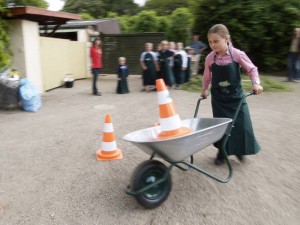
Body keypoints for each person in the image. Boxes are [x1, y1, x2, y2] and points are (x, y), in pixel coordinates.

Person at [201, 24, 263, 165]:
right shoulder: (210, 58)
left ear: (226, 38)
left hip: (236, 98)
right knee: (222, 126)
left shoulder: (237, 54)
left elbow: (252, 69)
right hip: (219, 99)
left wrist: (255, 83)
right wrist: (204, 90)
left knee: (241, 124)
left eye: (216, 41)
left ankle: (240, 150)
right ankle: (222, 152)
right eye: (210, 42)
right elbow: (206, 76)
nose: (212, 45)